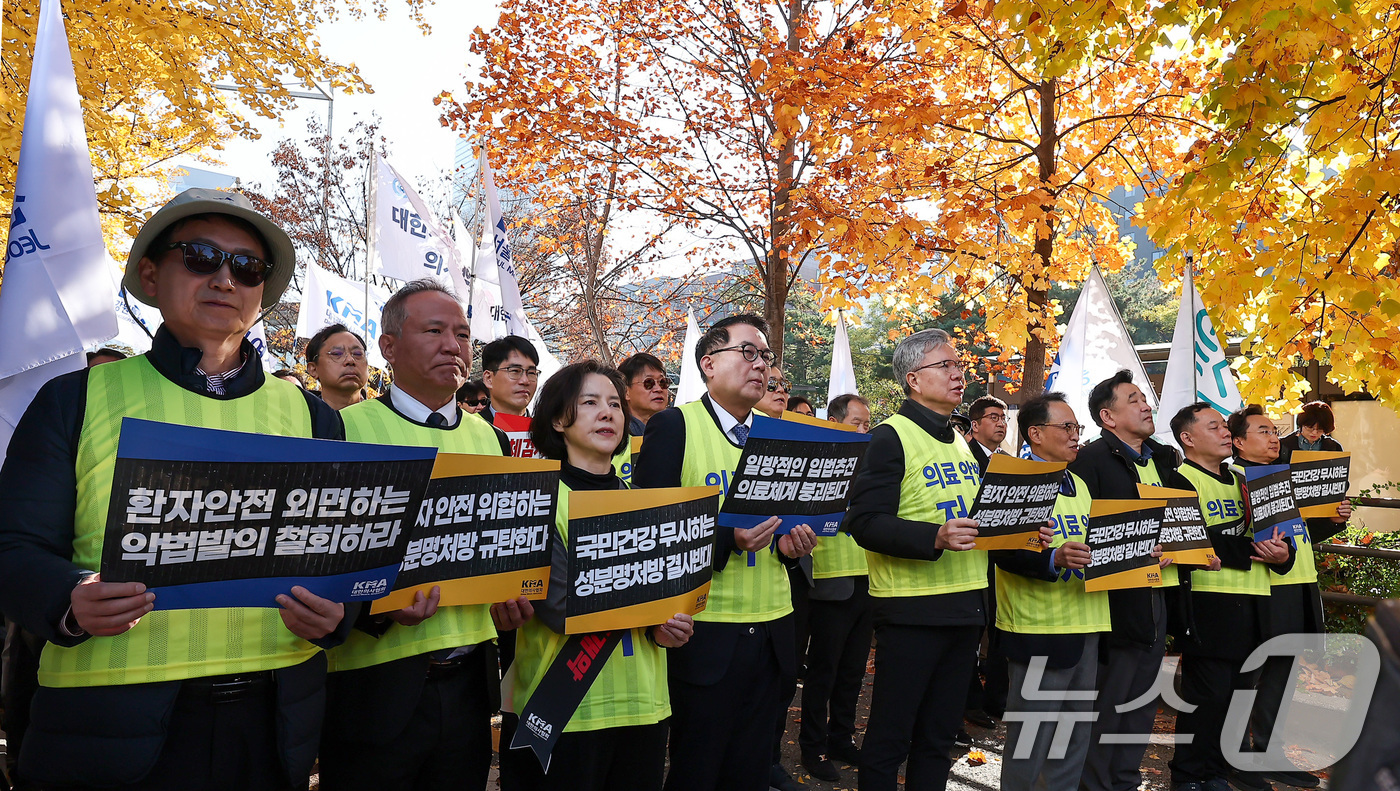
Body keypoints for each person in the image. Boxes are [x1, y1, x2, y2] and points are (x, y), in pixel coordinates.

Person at [0, 188, 350, 791]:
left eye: (246, 267)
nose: (224, 278)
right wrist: (70, 598)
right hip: (106, 730)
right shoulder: (75, 399)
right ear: (150, 274)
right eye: (200, 256)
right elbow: (13, 545)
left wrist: (340, 615)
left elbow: (343, 560)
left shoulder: (314, 417)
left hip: (270, 731)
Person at [319, 280, 535, 791]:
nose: (452, 345)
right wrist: (377, 606)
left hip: (468, 686)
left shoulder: (489, 437)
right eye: (434, 330)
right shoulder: (343, 429)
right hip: (374, 688)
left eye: (462, 333)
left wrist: (511, 600)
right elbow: (318, 559)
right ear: (388, 347)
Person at [633, 313, 818, 791]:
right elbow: (651, 528)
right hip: (705, 633)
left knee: (753, 769)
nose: (762, 366)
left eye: (767, 357)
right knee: (699, 767)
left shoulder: (781, 435)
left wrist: (793, 546)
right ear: (708, 364)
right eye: (749, 353)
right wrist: (728, 539)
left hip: (775, 626)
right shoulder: (674, 426)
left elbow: (787, 525)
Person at [508, 361, 694, 789]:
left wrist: (673, 625)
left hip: (645, 706)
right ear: (558, 418)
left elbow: (671, 595)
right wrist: (650, 610)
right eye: (589, 402)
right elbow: (561, 608)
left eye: (614, 402)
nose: (608, 412)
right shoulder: (538, 500)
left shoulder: (647, 504)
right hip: (563, 712)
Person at [844, 328, 987, 791]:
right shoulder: (890, 437)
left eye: (959, 366)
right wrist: (936, 537)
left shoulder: (960, 440)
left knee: (938, 739)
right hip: (911, 611)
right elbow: (863, 522)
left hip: (966, 606)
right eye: (944, 366)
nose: (957, 373)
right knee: (891, 737)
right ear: (913, 379)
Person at [1166, 403, 1294, 791]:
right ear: (1188, 438)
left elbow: (1280, 534)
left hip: (1255, 603)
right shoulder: (1179, 480)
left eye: (1225, 426)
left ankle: (1217, 773)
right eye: (1214, 426)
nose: (1225, 432)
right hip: (1208, 606)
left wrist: (1283, 555)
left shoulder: (1246, 478)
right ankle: (1188, 775)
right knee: (1206, 700)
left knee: (1237, 701)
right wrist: (1256, 549)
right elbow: (1197, 542)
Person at [1072, 369, 1184, 791]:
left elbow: (1180, 521)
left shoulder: (1162, 459)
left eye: (1145, 398)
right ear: (1108, 417)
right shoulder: (1090, 462)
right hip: (1115, 604)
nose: (1146, 405)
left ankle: (1125, 780)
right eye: (1134, 399)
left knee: (1141, 704)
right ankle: (1096, 784)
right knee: (1111, 705)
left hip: (1159, 596)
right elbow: (1082, 532)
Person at [1230, 404, 1348, 790]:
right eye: (1262, 431)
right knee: (1248, 676)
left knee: (1284, 673)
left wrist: (1332, 518)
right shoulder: (1234, 479)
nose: (1273, 437)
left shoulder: (1289, 476)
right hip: (1262, 588)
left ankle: (1269, 752)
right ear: (1238, 442)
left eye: (1273, 431)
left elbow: (1303, 534)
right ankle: (1233, 755)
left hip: (1299, 581)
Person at [994, 393, 1104, 791]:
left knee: (1072, 738)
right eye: (1067, 428)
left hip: (1086, 625)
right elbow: (1003, 553)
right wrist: (1053, 558)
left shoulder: (1079, 482)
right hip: (1037, 629)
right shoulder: (1015, 477)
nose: (1076, 436)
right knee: (1031, 740)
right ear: (1035, 434)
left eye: (1078, 428)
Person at [800, 394, 876, 781]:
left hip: (868, 579)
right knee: (823, 672)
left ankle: (841, 738)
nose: (864, 430)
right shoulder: (820, 462)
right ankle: (812, 748)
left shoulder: (873, 466)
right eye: (857, 423)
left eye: (867, 424)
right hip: (830, 581)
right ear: (834, 421)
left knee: (852, 672)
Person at [481, 336, 543, 457]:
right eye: (515, 371)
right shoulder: (469, 428)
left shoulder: (546, 433)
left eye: (531, 373)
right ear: (489, 378)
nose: (525, 381)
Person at [305, 323, 368, 410]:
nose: (350, 360)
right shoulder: (301, 417)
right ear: (313, 369)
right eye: (337, 354)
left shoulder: (383, 416)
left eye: (358, 354)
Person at [618, 352, 671, 436]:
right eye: (649, 382)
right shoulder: (616, 434)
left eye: (663, 382)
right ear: (625, 391)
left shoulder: (675, 430)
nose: (658, 389)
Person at [1277, 401, 1343, 463]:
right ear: (1301, 424)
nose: (1314, 433)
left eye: (1319, 429)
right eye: (1310, 428)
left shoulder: (1334, 447)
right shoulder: (1283, 445)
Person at [966, 395, 1008, 473]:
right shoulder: (965, 455)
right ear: (975, 426)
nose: (1001, 424)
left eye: (1003, 419)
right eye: (994, 418)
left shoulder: (1008, 460)